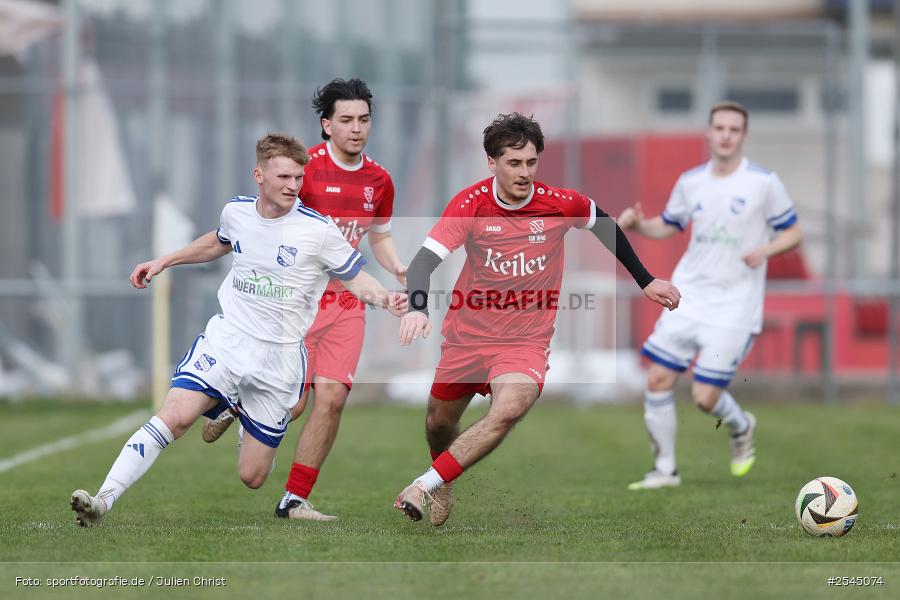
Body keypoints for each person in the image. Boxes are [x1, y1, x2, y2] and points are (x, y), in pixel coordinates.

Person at [70, 133, 406, 527]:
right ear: (259, 175)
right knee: (176, 416)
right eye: (284, 177)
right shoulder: (237, 212)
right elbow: (218, 242)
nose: (293, 186)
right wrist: (164, 261)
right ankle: (103, 500)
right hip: (229, 340)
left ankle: (238, 407)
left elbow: (355, 277)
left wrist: (387, 299)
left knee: (253, 476)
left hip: (280, 359)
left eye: (298, 178)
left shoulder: (318, 230)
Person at [393, 113, 681, 526]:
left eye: (531, 162)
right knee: (438, 423)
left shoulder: (560, 203)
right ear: (492, 162)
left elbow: (605, 226)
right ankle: (444, 480)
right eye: (514, 163)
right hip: (467, 337)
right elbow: (423, 261)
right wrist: (418, 307)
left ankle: (425, 484)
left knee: (509, 409)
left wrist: (646, 280)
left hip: (524, 342)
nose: (525, 172)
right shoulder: (471, 204)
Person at [201, 79, 406, 522]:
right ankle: (237, 402)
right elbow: (265, 222)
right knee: (293, 405)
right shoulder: (303, 170)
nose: (357, 128)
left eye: (364, 119)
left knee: (332, 398)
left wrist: (397, 268)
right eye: (346, 120)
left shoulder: (379, 180)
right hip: (297, 302)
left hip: (348, 302)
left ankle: (294, 499)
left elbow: (379, 236)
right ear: (327, 124)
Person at [617, 101, 803, 490]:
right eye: (720, 128)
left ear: (743, 135)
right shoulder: (691, 182)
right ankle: (665, 471)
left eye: (734, 129)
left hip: (734, 306)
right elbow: (669, 225)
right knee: (658, 378)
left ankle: (741, 425)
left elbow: (793, 232)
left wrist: (765, 250)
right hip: (690, 297)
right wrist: (638, 225)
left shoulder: (763, 183)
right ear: (709, 131)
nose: (726, 135)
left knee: (704, 397)